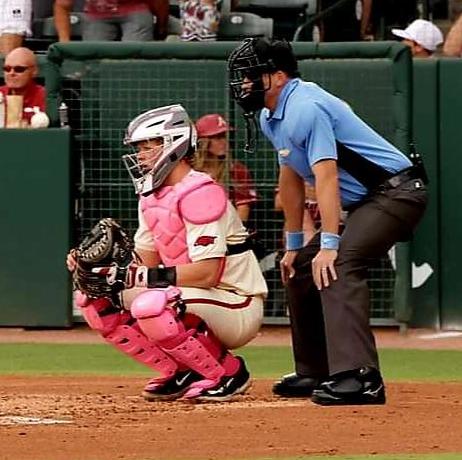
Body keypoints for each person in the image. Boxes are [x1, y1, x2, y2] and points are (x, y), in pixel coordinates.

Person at [227, 38, 428, 406]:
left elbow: (326, 178)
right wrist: (293, 246)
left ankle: (360, 377)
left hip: (398, 193)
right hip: (370, 199)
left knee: (340, 262)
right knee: (302, 266)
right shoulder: (271, 115)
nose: (243, 85)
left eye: (250, 76)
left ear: (278, 76)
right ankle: (315, 371)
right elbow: (289, 178)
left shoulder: (306, 106)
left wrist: (330, 243)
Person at [67, 104, 267, 402]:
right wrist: (97, 269)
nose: (140, 156)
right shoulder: (152, 194)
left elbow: (208, 273)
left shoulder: (201, 192)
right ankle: (183, 369)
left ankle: (229, 372)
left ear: (173, 146)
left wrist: (141, 276)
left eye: (148, 148)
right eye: (139, 148)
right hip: (195, 297)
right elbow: (143, 261)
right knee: (93, 299)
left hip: (236, 301)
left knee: (153, 303)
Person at [194, 113, 257, 225]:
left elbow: (243, 208)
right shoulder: (191, 169)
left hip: (227, 228)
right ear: (203, 142)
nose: (224, 142)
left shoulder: (237, 169)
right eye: (218, 138)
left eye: (225, 137)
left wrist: (233, 236)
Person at [54, 0, 169, 42]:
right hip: (97, 11)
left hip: (135, 7)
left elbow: (160, 2)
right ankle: (93, 94)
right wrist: (64, 41)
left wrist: (161, 26)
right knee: (92, 57)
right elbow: (62, 4)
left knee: (134, 56)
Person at [0, 47, 46, 125]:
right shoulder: (0, 94)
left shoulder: (45, 96)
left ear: (34, 71)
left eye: (19, 69)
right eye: (7, 69)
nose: (11, 73)